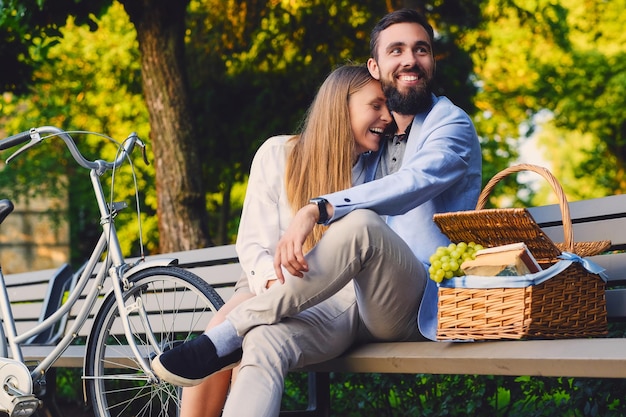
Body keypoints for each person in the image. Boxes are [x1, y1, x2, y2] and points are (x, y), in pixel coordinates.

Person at [154, 8, 482, 417]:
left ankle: (224, 336)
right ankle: (235, 336)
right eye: (396, 50)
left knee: (360, 224)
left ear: (432, 60)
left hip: (414, 304)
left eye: (421, 49)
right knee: (264, 343)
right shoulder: (371, 145)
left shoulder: (450, 125)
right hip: (342, 304)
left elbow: (411, 185)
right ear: (375, 67)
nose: (410, 60)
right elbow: (262, 244)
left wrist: (319, 208)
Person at [178, 63, 393, 417]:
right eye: (376, 105)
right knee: (232, 320)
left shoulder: (374, 175)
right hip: (264, 287)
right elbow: (252, 246)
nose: (387, 117)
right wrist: (280, 290)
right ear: (342, 106)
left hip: (334, 303)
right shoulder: (278, 154)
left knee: (235, 326)